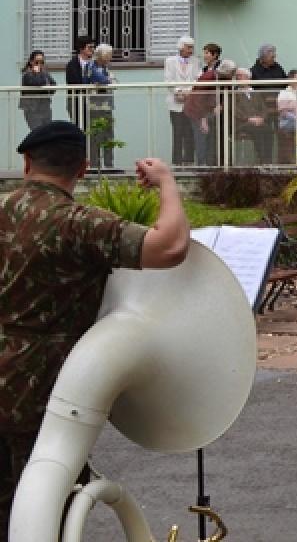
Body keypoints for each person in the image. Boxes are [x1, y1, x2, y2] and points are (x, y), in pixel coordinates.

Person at [0, 123, 190, 526]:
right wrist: (166, 183)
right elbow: (170, 246)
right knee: (46, 509)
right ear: (83, 168)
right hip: (40, 387)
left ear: (26, 162)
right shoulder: (79, 223)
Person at [184, 46, 224, 166]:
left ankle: (211, 164)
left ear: (215, 55)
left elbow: (216, 93)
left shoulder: (218, 72)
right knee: (201, 135)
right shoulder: (207, 73)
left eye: (207, 53)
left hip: (208, 109)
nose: (204, 55)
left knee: (209, 136)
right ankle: (202, 166)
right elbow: (199, 97)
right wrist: (202, 118)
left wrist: (220, 104)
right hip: (197, 109)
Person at [162, 36, 199, 166]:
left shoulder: (195, 61)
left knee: (189, 132)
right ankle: (177, 162)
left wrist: (188, 92)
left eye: (192, 48)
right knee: (177, 132)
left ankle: (189, 161)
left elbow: (197, 79)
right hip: (175, 102)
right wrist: (178, 91)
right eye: (189, 48)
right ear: (181, 47)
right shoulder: (170, 61)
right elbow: (168, 79)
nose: (191, 51)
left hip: (190, 102)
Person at [86, 44, 117, 171]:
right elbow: (98, 79)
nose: (110, 57)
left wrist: (107, 81)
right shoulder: (91, 66)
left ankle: (109, 165)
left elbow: (114, 83)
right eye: (108, 55)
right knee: (95, 137)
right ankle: (94, 166)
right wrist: (107, 80)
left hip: (107, 106)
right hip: (95, 107)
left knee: (108, 136)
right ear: (102, 55)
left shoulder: (106, 67)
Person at [63, 36, 95, 133]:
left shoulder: (95, 64)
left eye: (93, 47)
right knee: (79, 129)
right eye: (89, 47)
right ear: (81, 48)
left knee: (94, 129)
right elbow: (73, 82)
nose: (92, 50)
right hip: (77, 101)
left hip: (93, 102)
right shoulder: (72, 64)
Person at [18, 51, 55, 132]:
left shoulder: (45, 73)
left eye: (42, 62)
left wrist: (46, 86)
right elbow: (37, 83)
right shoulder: (27, 75)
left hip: (45, 108)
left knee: (47, 132)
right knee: (38, 133)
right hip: (32, 110)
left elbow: (53, 86)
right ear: (31, 62)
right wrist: (38, 74)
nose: (39, 65)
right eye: (36, 62)